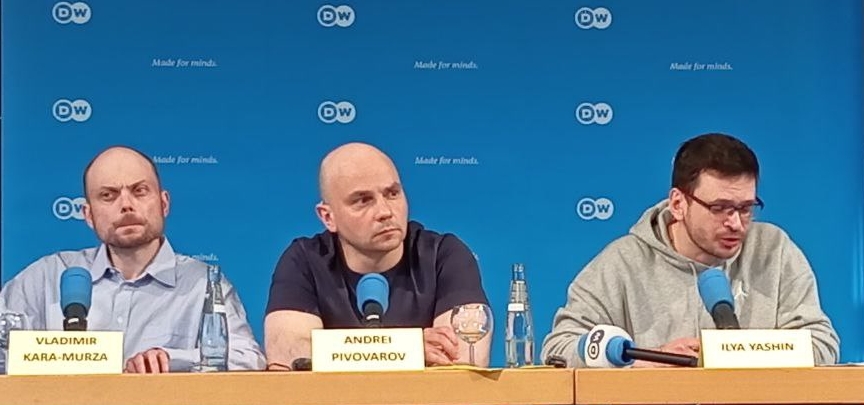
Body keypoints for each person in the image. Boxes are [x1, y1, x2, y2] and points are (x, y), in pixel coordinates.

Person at [541, 133, 839, 366]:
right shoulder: (622, 263)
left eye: (746, 208)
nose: (736, 223)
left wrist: (739, 354)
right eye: (720, 208)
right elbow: (559, 348)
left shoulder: (774, 251)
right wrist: (644, 360)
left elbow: (821, 344)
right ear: (678, 204)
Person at [0, 146, 265, 373]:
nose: (126, 205)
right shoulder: (47, 277)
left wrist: (170, 359)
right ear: (88, 215)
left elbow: (247, 359)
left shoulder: (203, 284)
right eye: (108, 195)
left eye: (139, 191)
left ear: (164, 204)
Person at [264, 142, 491, 369]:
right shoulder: (303, 260)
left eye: (392, 194)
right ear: (328, 217)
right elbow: (292, 359)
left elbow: (463, 360)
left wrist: (348, 355)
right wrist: (404, 349)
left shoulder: (444, 255)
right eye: (363, 200)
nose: (385, 212)